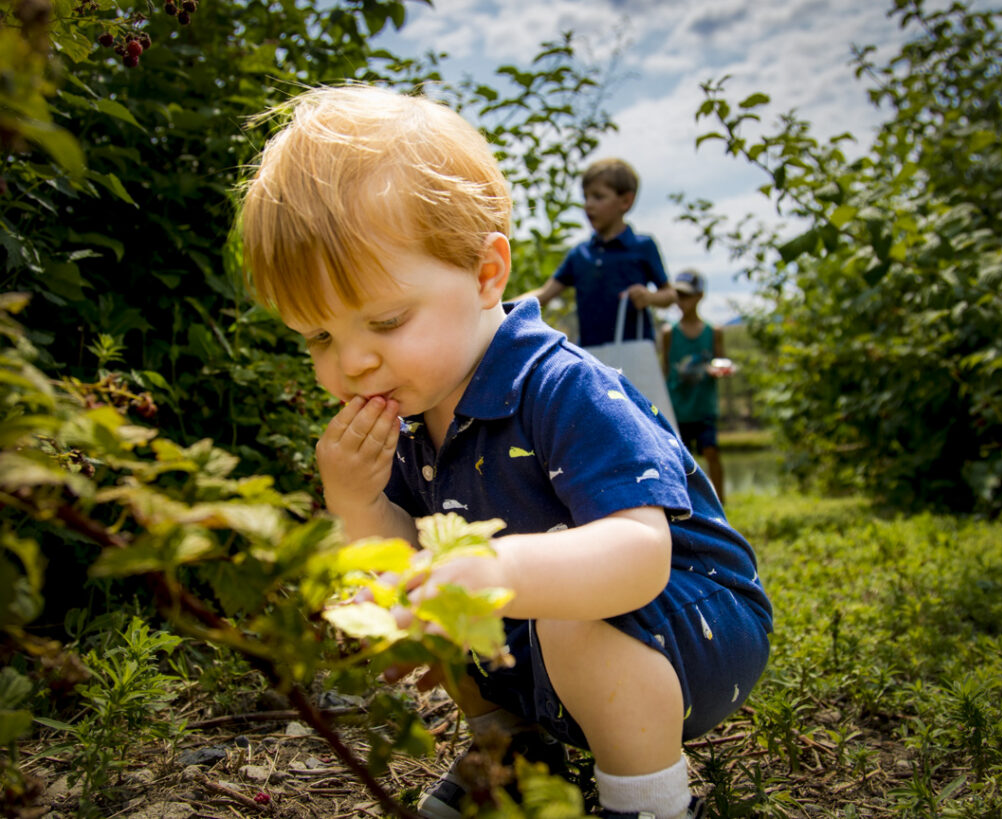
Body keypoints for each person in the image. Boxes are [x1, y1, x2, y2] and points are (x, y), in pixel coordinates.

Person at [240, 84, 772, 819]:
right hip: (550, 646)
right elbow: (408, 556)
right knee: (440, 590)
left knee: (550, 607)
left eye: (386, 320)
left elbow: (640, 555)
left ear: (488, 274)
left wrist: (492, 573)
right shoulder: (410, 418)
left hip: (691, 622)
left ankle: (648, 800)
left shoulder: (562, 386)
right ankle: (512, 753)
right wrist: (359, 503)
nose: (351, 363)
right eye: (320, 337)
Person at [523, 158, 676, 349]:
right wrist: (496, 307)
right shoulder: (580, 254)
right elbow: (544, 294)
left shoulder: (643, 246)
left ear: (626, 201)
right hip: (591, 355)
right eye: (585, 197)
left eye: (598, 196)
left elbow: (670, 294)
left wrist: (649, 297)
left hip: (633, 354)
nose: (588, 205)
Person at [661, 271, 728, 503]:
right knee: (682, 459)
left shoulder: (714, 332)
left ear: (700, 296)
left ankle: (720, 502)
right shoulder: (669, 333)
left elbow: (721, 363)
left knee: (711, 452)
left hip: (703, 406)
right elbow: (664, 371)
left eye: (687, 296)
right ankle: (688, 504)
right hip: (678, 408)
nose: (682, 301)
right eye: (678, 295)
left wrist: (718, 371)